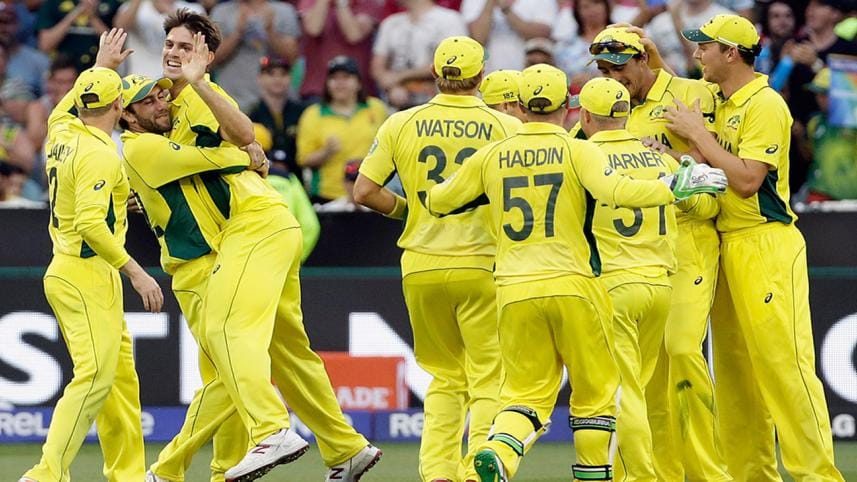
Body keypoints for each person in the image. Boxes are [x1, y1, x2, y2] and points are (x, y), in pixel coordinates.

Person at [423, 63, 727, 482]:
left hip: (513, 288)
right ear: (567, 107)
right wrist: (671, 187)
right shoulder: (578, 149)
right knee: (598, 396)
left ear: (522, 106)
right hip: (578, 285)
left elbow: (438, 200)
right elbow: (616, 192)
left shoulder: (492, 154)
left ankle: (496, 453)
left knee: (523, 394)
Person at [144, 10, 381, 481]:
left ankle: (266, 433)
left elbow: (243, 133)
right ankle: (345, 447)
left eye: (184, 46)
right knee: (289, 352)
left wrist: (233, 132)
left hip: (250, 229)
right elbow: (225, 148)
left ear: (208, 56)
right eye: (169, 44)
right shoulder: (167, 103)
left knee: (231, 340)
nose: (172, 52)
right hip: (266, 226)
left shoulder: (198, 94)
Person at [668, 13, 844, 481]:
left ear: (731, 52)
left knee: (785, 370)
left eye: (705, 46)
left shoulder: (764, 103)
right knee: (736, 379)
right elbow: (713, 165)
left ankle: (818, 477)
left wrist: (698, 137)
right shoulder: (719, 102)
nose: (697, 54)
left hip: (765, 243)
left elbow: (746, 180)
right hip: (724, 244)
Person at [354, 36, 520, 482]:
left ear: (433, 74)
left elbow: (364, 191)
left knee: (445, 378)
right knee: (489, 377)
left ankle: (437, 474)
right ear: (481, 76)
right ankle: (477, 471)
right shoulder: (506, 127)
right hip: (483, 263)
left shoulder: (401, 123)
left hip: (421, 264)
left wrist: (411, 211)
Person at [584, 26, 730, 482]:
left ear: (644, 58)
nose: (613, 77)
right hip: (632, 257)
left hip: (689, 240)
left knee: (684, 350)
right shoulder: (599, 109)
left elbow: (719, 170)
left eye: (619, 67)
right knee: (643, 379)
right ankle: (653, 475)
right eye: (604, 70)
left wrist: (675, 155)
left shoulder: (691, 95)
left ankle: (709, 474)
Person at [18, 30, 163, 482]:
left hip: (82, 272)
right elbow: (89, 224)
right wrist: (137, 273)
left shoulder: (61, 130)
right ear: (120, 108)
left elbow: (73, 105)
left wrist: (102, 66)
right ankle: (46, 474)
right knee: (96, 376)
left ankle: (128, 475)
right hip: (83, 272)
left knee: (120, 384)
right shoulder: (101, 155)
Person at [297, 55, 386, 204]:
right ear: (327, 84)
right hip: (329, 196)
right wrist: (326, 152)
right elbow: (303, 159)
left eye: (346, 77)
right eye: (334, 78)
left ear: (358, 82)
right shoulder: (313, 114)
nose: (340, 83)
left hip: (371, 194)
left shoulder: (376, 109)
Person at [370, 0, 467, 110]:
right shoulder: (391, 23)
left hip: (439, 108)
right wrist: (392, 87)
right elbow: (377, 67)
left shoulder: (450, 20)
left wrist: (399, 77)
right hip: (396, 110)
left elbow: (451, 63)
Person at [210, 0, 302, 111]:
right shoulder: (221, 12)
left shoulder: (284, 11)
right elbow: (212, 59)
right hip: (232, 101)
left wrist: (270, 32)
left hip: (275, 103)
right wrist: (237, 33)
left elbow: (292, 56)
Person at [801, 67, 857, 202]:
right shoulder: (814, 123)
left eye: (824, 94)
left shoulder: (854, 120)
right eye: (817, 93)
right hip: (818, 192)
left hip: (851, 194)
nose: (819, 99)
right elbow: (810, 155)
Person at [247, 56, 306, 174]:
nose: (277, 79)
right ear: (260, 78)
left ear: (290, 77)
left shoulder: (303, 113)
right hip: (263, 178)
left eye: (283, 74)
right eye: (271, 74)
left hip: (296, 179)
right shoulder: (251, 115)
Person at [461, 0, 556, 72]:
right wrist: (490, 3)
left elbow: (540, 35)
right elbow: (478, 38)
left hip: (525, 79)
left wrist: (506, 9)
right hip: (488, 79)